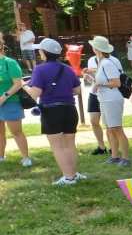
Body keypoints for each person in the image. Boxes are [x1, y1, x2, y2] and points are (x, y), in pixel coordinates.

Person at [23, 38, 84, 185]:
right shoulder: (67, 68)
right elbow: (77, 90)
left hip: (51, 110)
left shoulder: (40, 69)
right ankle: (73, 174)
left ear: (44, 53)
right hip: (70, 109)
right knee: (70, 144)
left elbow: (35, 93)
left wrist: (23, 85)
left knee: (57, 146)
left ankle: (68, 178)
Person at [89, 36, 130, 166]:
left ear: (97, 49)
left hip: (112, 99)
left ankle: (126, 158)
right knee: (110, 128)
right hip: (105, 99)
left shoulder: (106, 63)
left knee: (117, 128)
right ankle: (115, 157)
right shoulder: (102, 62)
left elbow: (116, 83)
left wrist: (99, 84)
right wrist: (95, 82)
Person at [0, 40, 32, 166]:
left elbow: (18, 84)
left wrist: (4, 97)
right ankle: (1, 157)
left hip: (11, 102)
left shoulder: (9, 63)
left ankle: (26, 158)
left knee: (16, 132)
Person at [83, 54, 108, 155]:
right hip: (94, 93)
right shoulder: (91, 59)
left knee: (110, 124)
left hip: (107, 94)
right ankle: (101, 147)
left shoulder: (111, 60)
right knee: (94, 121)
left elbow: (113, 76)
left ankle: (113, 146)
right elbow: (94, 78)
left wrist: (92, 70)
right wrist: (88, 77)